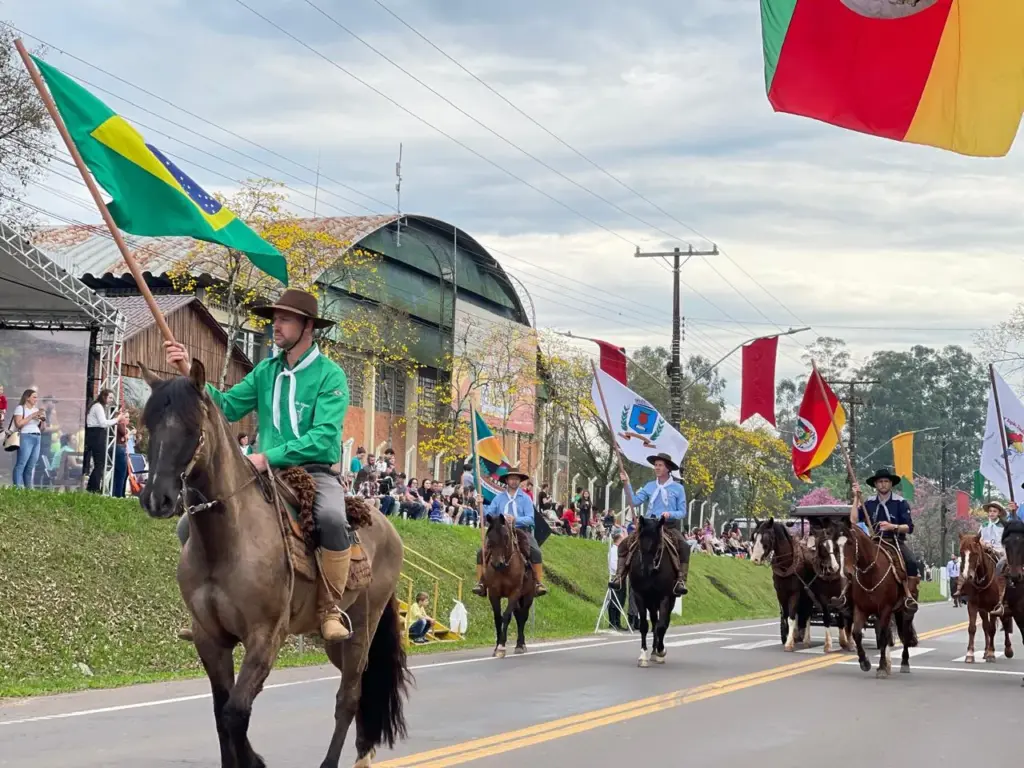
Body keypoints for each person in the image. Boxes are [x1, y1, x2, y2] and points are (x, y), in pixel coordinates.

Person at [166, 288, 355, 643]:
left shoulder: (331, 376)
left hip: (313, 471)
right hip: (261, 471)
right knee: (185, 527)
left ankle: (330, 608)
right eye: (274, 319)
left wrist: (268, 456)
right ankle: (205, 607)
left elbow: (324, 436)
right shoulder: (265, 370)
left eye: (284, 320)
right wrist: (190, 372)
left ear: (308, 326)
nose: (275, 326)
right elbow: (227, 407)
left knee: (332, 518)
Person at [609, 453, 690, 597]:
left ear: (667, 468)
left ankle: (681, 580)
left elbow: (682, 512)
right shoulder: (650, 486)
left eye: (660, 465)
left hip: (667, 526)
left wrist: (669, 514)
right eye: (656, 465)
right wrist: (627, 483)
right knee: (623, 545)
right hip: (649, 526)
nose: (657, 468)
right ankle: (619, 576)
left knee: (684, 546)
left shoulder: (678, 488)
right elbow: (634, 502)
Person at [851, 468, 922, 613]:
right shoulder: (869, 503)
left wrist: (892, 526)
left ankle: (909, 595)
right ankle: (848, 595)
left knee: (911, 562)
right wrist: (856, 499)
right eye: (880, 482)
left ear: (891, 484)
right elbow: (853, 520)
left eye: (886, 481)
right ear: (875, 485)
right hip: (874, 541)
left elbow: (909, 527)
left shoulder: (900, 502)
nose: (883, 484)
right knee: (852, 560)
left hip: (894, 540)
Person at [472, 468, 547, 597]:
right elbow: (489, 514)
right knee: (481, 552)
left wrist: (515, 519)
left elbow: (530, 519)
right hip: (501, 532)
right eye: (511, 479)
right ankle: (481, 583)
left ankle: (537, 583)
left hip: (520, 530)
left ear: (520, 481)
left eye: (517, 479)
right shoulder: (499, 498)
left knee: (536, 552)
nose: (514, 481)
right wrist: (480, 505)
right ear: (506, 480)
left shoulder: (525, 498)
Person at [84, 389, 123, 493]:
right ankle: (94, 488)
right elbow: (103, 423)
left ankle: (93, 486)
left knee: (99, 463)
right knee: (100, 463)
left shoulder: (98, 407)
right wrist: (117, 419)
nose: (111, 400)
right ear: (104, 397)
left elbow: (104, 422)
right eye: (110, 397)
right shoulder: (98, 407)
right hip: (96, 434)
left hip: (96, 434)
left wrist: (114, 419)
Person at [982, 501, 1012, 616]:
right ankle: (965, 592)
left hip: (1000, 550)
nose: (992, 513)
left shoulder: (1004, 525)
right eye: (990, 511)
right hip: (986, 549)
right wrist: (985, 544)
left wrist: (999, 549)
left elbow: (1007, 540)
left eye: (994, 511)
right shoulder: (984, 525)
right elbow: (979, 538)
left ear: (999, 513)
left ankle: (1001, 598)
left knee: (1001, 565)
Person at [12, 389, 45, 488]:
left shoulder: (36, 409)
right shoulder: (20, 408)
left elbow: (42, 428)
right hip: (26, 436)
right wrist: (32, 416)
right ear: (27, 398)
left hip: (37, 436)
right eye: (34, 397)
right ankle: (17, 487)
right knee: (22, 463)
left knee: (31, 464)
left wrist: (42, 419)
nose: (36, 399)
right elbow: (18, 424)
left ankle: (28, 488)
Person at [607, 527, 628, 631]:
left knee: (621, 600)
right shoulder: (614, 550)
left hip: (622, 577)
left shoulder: (620, 550)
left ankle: (617, 621)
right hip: (616, 578)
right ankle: (612, 622)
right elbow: (614, 565)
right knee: (615, 600)